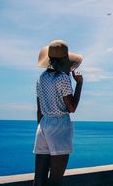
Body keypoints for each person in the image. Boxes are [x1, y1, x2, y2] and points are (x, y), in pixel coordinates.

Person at [33, 40, 83, 186]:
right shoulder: (63, 78)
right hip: (59, 127)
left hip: (43, 125)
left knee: (39, 178)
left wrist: (44, 128)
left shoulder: (41, 78)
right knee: (55, 179)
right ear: (65, 60)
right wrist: (79, 83)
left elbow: (39, 110)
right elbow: (71, 108)